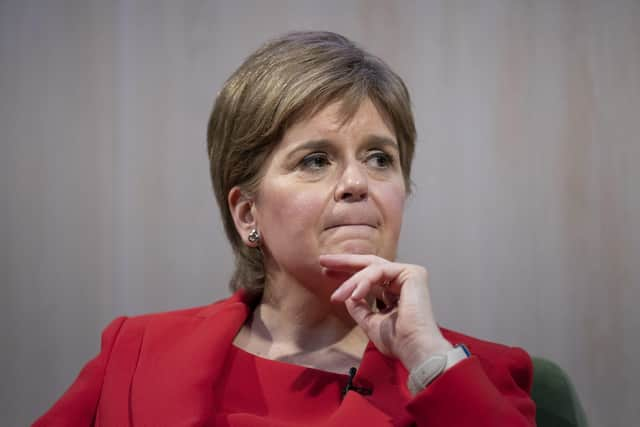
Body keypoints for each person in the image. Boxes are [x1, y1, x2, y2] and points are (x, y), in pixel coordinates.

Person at [33, 31, 536, 426]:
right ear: (247, 213)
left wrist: (425, 358)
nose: (357, 182)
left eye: (381, 158)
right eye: (316, 160)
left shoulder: (471, 375)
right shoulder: (137, 353)